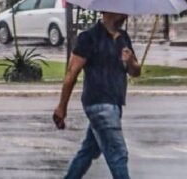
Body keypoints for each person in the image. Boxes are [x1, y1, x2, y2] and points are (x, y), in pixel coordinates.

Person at [54, 11, 141, 179]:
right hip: (98, 103)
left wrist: (130, 61)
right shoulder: (89, 37)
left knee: (88, 151)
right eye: (119, 12)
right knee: (118, 154)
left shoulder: (123, 38)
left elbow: (135, 72)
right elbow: (72, 73)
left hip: (115, 103)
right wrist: (61, 106)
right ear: (106, 11)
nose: (124, 16)